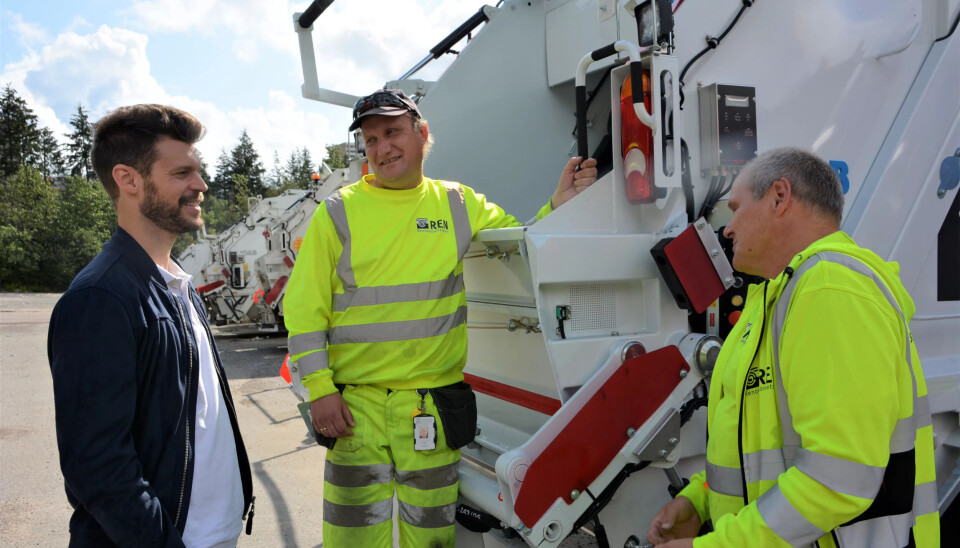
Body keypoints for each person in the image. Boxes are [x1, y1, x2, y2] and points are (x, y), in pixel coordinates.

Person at [283, 88, 598, 548]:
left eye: (392, 132)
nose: (381, 148)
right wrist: (321, 392)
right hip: (355, 410)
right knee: (352, 537)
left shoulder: (457, 204)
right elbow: (304, 310)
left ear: (421, 133)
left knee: (430, 538)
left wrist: (557, 206)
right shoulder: (338, 212)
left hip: (429, 409)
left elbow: (517, 244)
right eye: (370, 140)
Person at [646, 147, 939, 547]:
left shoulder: (831, 289)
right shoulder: (775, 297)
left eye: (735, 209)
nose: (727, 229)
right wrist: (699, 500)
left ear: (780, 197)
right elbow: (758, 442)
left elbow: (837, 478)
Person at [48, 104, 254, 547]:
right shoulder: (101, 298)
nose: (200, 185)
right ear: (129, 180)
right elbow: (98, 466)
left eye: (197, 171)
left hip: (213, 533)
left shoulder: (176, 281)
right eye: (182, 173)